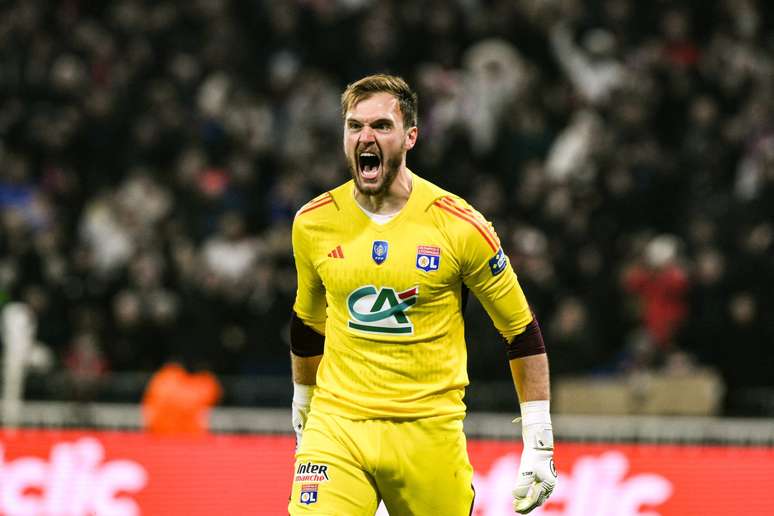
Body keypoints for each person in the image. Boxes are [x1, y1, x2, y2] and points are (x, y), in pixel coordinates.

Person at [289, 74, 556, 515]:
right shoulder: (312, 223)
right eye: (355, 126)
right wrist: (303, 404)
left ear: (411, 136)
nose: (365, 137)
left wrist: (539, 439)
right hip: (337, 427)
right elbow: (307, 323)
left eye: (381, 126)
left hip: (428, 431)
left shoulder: (459, 226)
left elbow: (521, 331)